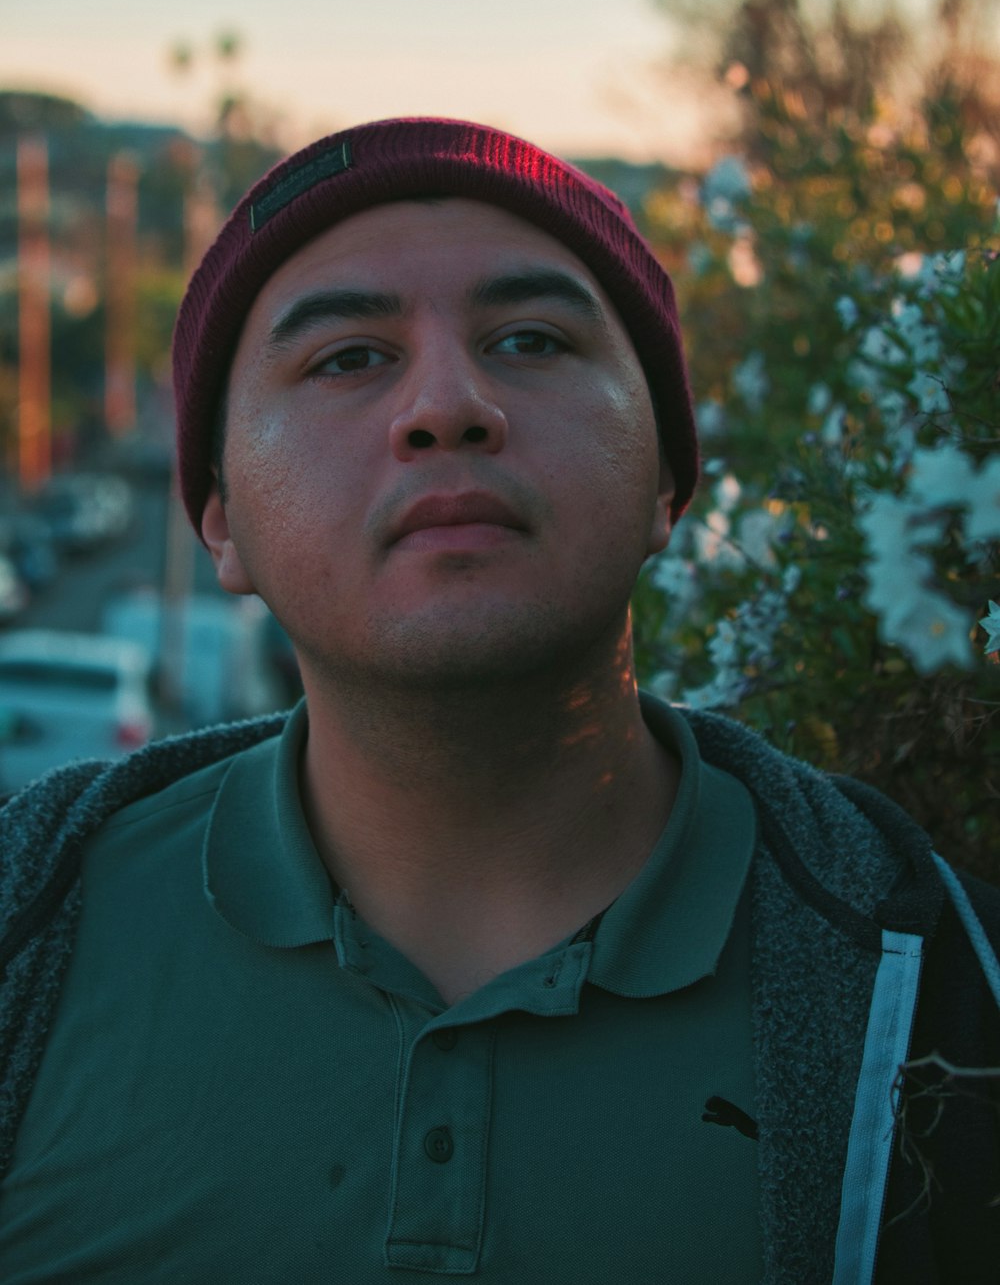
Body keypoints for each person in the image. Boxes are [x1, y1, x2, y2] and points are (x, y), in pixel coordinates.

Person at [0, 117, 997, 1284]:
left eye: (529, 338)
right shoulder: (31, 931)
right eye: (347, 358)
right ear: (219, 518)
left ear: (668, 478)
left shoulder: (946, 986)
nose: (447, 406)